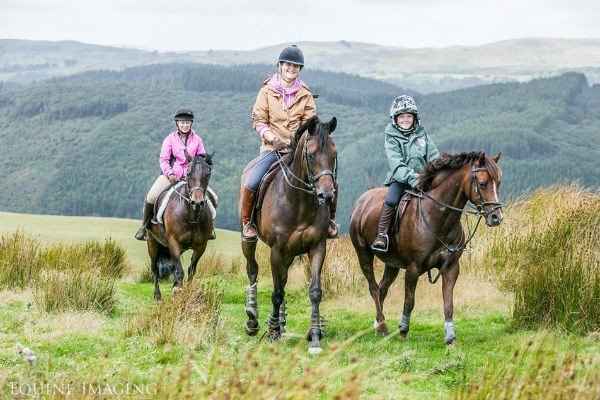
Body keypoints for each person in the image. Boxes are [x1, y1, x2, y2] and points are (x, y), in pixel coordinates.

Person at [240, 44, 339, 241]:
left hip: (298, 150)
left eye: (296, 66)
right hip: (272, 149)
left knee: (329, 180)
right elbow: (259, 121)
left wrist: (297, 143)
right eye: (288, 65)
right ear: (280, 65)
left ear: (299, 70)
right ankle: (248, 222)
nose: (291, 68)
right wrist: (273, 139)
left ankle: (328, 222)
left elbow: (310, 124)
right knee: (253, 180)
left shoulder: (306, 95)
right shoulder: (266, 92)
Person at [371, 95, 440, 252]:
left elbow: (434, 156)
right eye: (402, 116)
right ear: (395, 119)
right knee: (391, 199)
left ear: (415, 117)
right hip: (401, 179)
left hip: (424, 178)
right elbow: (397, 165)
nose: (405, 119)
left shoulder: (423, 135)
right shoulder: (391, 137)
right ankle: (382, 235)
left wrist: (437, 173)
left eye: (409, 116)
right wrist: (414, 179)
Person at [134, 107, 211, 240]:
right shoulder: (170, 139)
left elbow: (201, 158)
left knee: (213, 198)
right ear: (177, 123)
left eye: (187, 122)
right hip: (171, 176)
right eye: (182, 122)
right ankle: (144, 227)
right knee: (151, 196)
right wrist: (170, 174)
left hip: (191, 179)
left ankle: (208, 229)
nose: (185, 125)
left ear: (191, 123)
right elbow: (163, 159)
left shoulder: (197, 140)